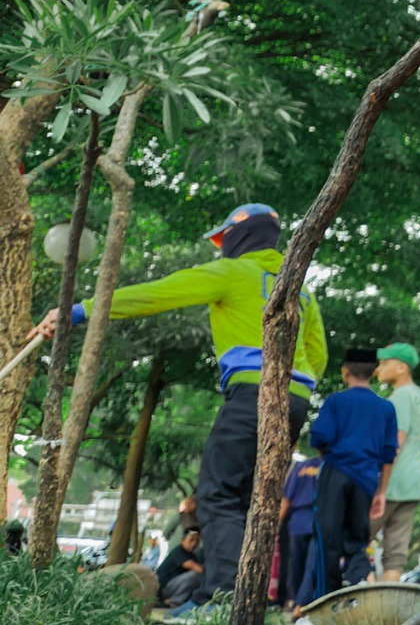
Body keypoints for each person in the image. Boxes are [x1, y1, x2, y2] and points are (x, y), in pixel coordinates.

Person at [27, 204, 327, 594]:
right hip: (296, 400)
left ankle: (222, 599)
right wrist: (297, 390)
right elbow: (318, 354)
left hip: (252, 393)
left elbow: (157, 293)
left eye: (225, 238)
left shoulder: (233, 271)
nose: (223, 246)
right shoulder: (303, 290)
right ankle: (247, 601)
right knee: (253, 498)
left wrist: (79, 310)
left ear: (240, 235)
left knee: (218, 495)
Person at [307, 350, 401, 597]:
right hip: (366, 480)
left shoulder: (335, 402)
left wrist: (332, 457)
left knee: (327, 539)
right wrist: (381, 490)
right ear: (374, 373)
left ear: (345, 372)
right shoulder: (386, 408)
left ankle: (326, 600)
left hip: (335, 473)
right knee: (357, 541)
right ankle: (357, 590)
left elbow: (319, 439)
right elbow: (389, 454)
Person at [372, 343, 420, 579]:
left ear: (401, 367)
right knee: (395, 553)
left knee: (356, 539)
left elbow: (397, 439)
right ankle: (386, 602)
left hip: (392, 481)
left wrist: (381, 484)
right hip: (414, 482)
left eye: (384, 363)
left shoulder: (400, 396)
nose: (379, 369)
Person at [279, 452, 322, 612]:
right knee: (312, 563)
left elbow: (287, 499)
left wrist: (278, 522)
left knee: (296, 563)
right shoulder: (334, 466)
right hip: (318, 519)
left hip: (298, 520)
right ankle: (301, 604)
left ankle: (296, 601)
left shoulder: (301, 466)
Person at [156, 526, 207, 609]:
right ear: (183, 540)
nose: (194, 543)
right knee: (196, 575)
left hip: (172, 586)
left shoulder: (191, 555)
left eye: (197, 541)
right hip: (163, 589)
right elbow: (198, 569)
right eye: (191, 540)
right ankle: (175, 601)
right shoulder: (179, 552)